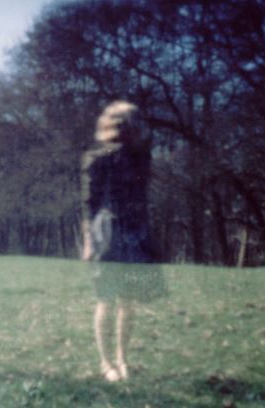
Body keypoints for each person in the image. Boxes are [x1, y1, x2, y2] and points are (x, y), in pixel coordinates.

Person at [81, 100, 166, 382]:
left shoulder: (141, 159)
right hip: (106, 234)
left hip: (135, 233)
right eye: (121, 123)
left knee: (128, 302)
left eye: (130, 123)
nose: (125, 129)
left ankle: (122, 359)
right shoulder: (96, 159)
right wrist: (88, 242)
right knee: (105, 300)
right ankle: (106, 363)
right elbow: (89, 205)